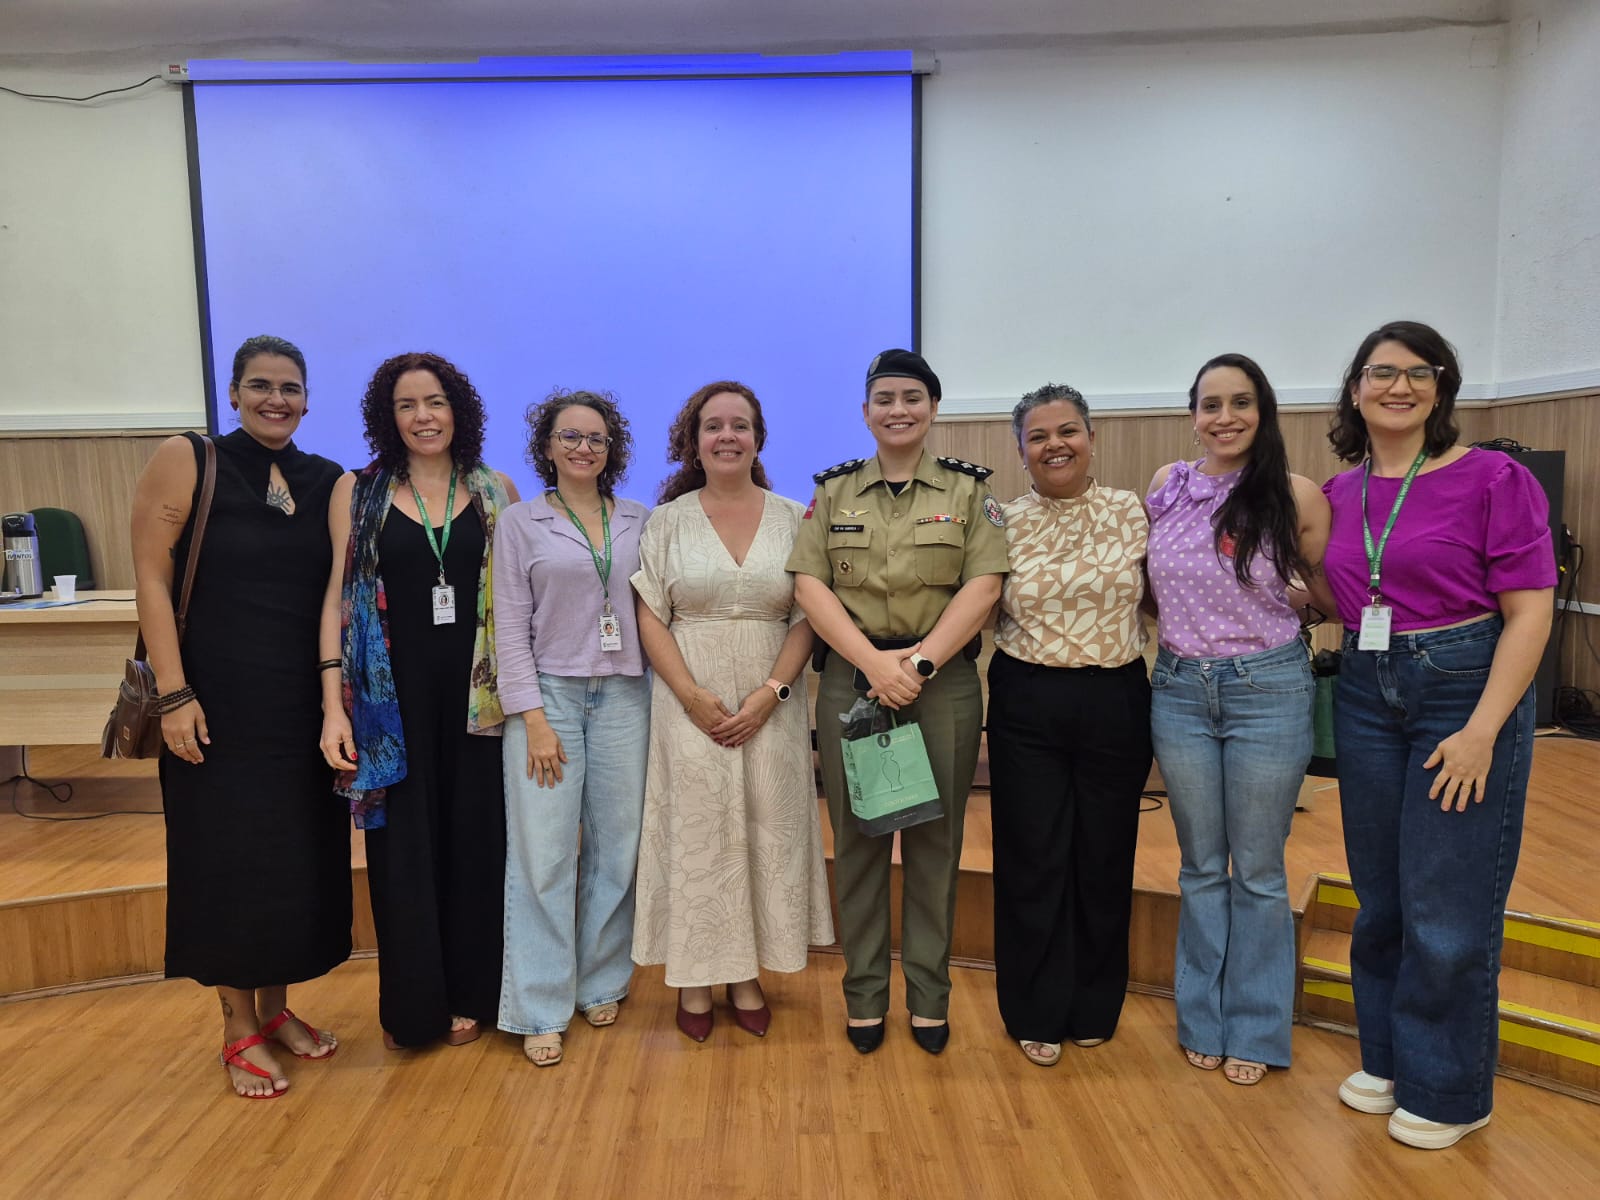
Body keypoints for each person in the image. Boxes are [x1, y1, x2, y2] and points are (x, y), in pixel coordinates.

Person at [1315, 321, 1554, 1149]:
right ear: (1356, 389)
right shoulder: (1340, 492)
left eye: (1421, 373)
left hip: (1463, 687)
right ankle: (1390, 1060)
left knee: (1447, 903)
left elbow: (1531, 612)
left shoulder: (1494, 477)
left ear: (1441, 389)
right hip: (1364, 688)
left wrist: (1485, 729)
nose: (1401, 386)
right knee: (1381, 895)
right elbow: (1336, 595)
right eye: (1383, 372)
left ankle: (1451, 1091)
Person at [129, 334, 349, 1099]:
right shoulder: (190, 458)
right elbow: (151, 578)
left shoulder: (328, 480)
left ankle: (277, 1009)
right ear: (233, 393)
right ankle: (237, 1026)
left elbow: (335, 595)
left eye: (290, 388)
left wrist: (333, 703)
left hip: (298, 710)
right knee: (226, 864)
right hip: (211, 708)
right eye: (260, 385)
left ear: (308, 400)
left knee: (292, 863)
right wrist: (174, 693)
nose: (275, 400)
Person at [788, 348, 1008, 1055]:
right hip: (855, 682)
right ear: (865, 412)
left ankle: (929, 998)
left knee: (936, 847)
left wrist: (915, 664)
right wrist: (873, 665)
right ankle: (863, 997)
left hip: (940, 685)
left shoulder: (970, 491)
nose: (898, 410)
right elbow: (810, 585)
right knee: (858, 844)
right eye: (884, 399)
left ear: (933, 408)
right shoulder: (833, 492)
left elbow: (984, 586)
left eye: (912, 397)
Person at [318, 351, 519, 1050]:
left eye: (434, 401)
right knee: (403, 856)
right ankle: (417, 1007)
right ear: (388, 416)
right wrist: (333, 707)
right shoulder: (358, 491)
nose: (423, 416)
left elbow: (519, 601)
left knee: (478, 846)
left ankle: (476, 994)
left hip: (479, 704)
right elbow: (337, 601)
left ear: (457, 409)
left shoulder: (496, 489)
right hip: (389, 707)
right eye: (406, 405)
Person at [1144, 352, 1329, 1087]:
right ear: (1193, 416)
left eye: (1241, 402)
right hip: (1180, 688)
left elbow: (1329, 595)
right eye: (1211, 404)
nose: (1225, 417)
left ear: (1264, 411)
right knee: (1199, 866)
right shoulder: (1168, 486)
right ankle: (1202, 1019)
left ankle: (1255, 1026)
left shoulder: (1295, 492)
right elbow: (1152, 588)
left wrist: (1294, 602)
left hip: (1268, 690)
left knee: (1256, 869)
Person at [630, 382, 833, 1042]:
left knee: (764, 833)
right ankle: (694, 978)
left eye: (739, 425)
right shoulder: (667, 521)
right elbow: (649, 614)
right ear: (693, 441)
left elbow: (808, 615)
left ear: (758, 438)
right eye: (712, 426)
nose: (727, 436)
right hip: (688, 700)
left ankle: (746, 975)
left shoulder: (795, 517)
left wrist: (771, 693)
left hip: (771, 703)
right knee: (701, 837)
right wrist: (691, 695)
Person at [987, 383, 1153, 1068]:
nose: (1054, 445)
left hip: (1115, 695)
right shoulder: (1000, 519)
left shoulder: (1132, 509)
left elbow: (1165, 595)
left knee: (1106, 854)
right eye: (1038, 436)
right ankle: (1035, 1007)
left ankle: (1093, 1002)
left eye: (1068, 432)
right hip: (1028, 697)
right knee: (1032, 856)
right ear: (1020, 449)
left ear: (1091, 437)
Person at [494, 389, 651, 1067]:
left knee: (618, 849)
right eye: (570, 437)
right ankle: (538, 1006)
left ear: (612, 449)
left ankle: (601, 981)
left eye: (596, 438)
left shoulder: (640, 519)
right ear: (547, 446)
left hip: (626, 696)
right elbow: (508, 624)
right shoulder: (520, 522)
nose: (584, 448)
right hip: (549, 700)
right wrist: (531, 717)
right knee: (545, 855)